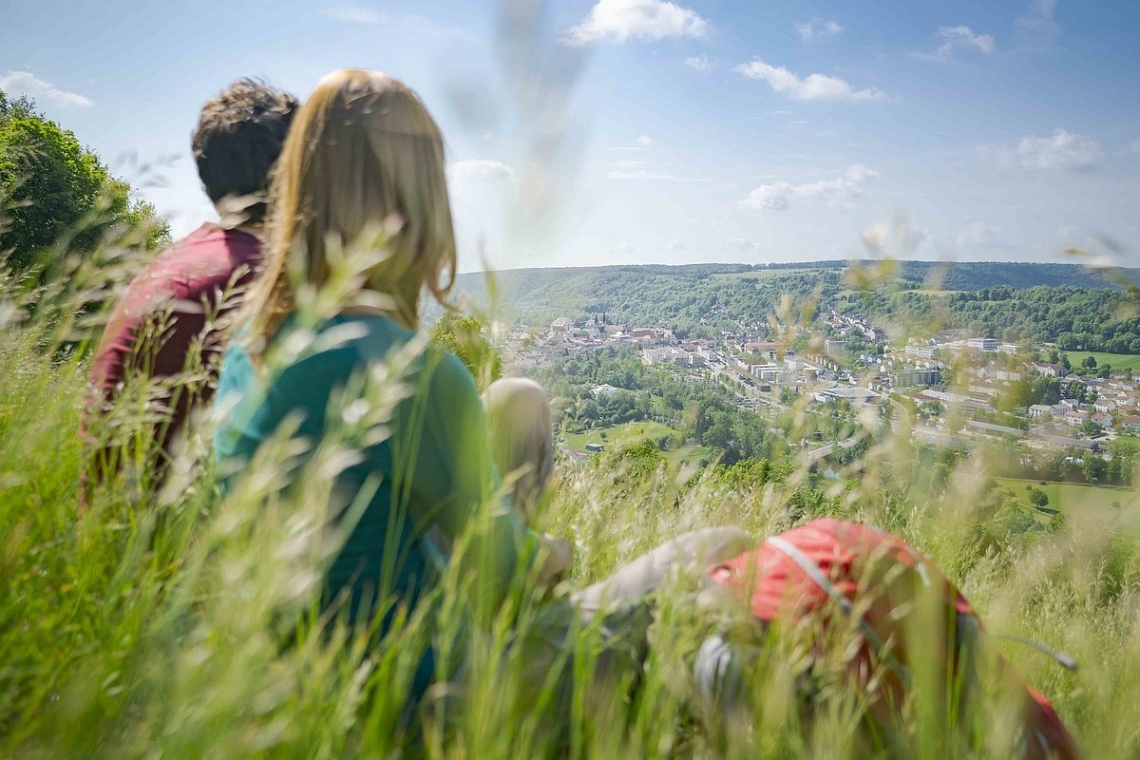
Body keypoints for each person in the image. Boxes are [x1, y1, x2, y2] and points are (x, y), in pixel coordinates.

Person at [84, 79, 298, 498]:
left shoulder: (172, 263)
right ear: (297, 170)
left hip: (117, 538)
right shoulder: (261, 280)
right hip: (186, 549)